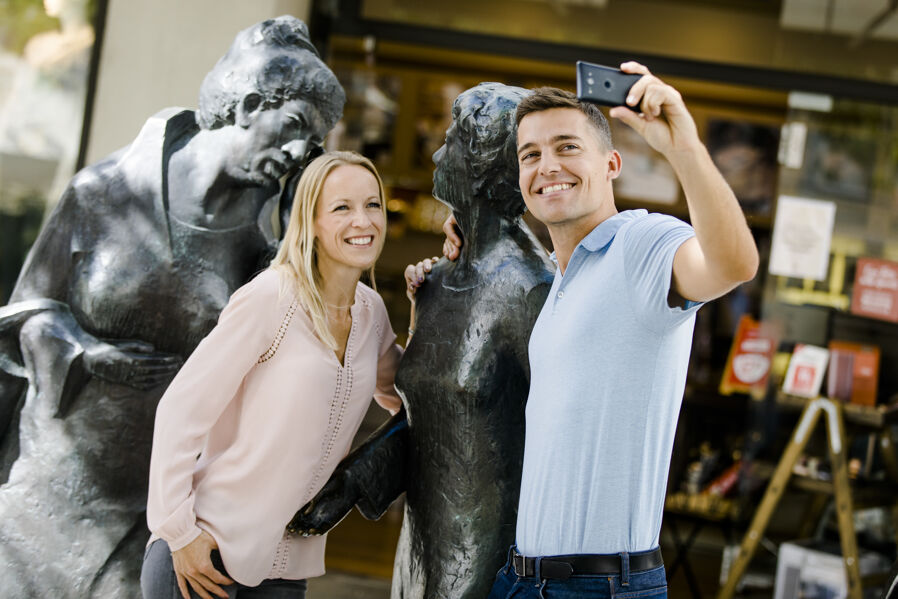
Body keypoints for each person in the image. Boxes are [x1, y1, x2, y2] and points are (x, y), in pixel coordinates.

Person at [0, 16, 343, 598]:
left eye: (310, 146)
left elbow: (288, 360)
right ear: (249, 104)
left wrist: (293, 243)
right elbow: (29, 310)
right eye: (292, 128)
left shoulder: (268, 241)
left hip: (161, 499)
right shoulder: (105, 192)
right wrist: (85, 353)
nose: (296, 153)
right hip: (48, 484)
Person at [431, 63, 759, 598]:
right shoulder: (558, 279)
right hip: (519, 579)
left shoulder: (640, 242)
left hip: (599, 586)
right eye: (530, 155)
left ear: (611, 164)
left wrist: (684, 149)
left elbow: (732, 264)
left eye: (566, 147)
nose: (547, 166)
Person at [286, 83, 554, 598]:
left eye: (451, 142)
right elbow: (434, 416)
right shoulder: (438, 281)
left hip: (492, 557)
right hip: (424, 544)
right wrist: (352, 482)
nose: (436, 152)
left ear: (483, 166)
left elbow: (559, 435)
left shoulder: (532, 291)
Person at [141, 150, 403, 599]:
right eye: (342, 208)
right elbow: (179, 411)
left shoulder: (371, 313)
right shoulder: (272, 297)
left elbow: (405, 395)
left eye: (372, 204)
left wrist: (433, 295)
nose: (363, 221)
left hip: (286, 568)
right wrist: (180, 533)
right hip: (208, 552)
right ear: (312, 221)